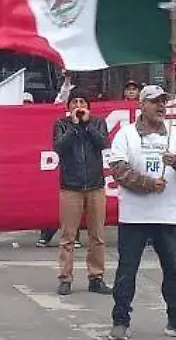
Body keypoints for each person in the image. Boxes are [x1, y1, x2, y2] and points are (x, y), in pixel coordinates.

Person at [107, 85, 176, 340]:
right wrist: (148, 184)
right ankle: (120, 322)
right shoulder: (126, 135)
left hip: (168, 216)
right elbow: (118, 170)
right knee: (127, 271)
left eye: (164, 101)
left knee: (172, 269)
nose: (161, 106)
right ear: (142, 105)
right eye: (154, 102)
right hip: (134, 216)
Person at [52, 91, 112, 296]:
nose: (78, 105)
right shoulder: (61, 124)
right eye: (74, 102)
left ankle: (96, 277)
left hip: (95, 185)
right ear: (68, 106)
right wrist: (76, 127)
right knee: (68, 236)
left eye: (82, 102)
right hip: (71, 186)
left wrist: (86, 125)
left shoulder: (98, 123)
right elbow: (59, 146)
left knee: (97, 235)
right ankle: (65, 278)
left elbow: (103, 143)